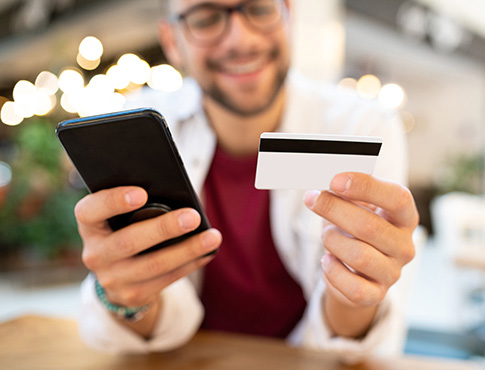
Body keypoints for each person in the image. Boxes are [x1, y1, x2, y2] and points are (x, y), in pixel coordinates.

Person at [77, 0, 419, 363]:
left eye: (258, 8)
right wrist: (125, 294)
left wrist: (359, 286)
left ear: (289, 14)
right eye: (206, 18)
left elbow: (349, 336)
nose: (240, 39)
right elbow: (141, 322)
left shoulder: (360, 127)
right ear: (172, 40)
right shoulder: (132, 132)